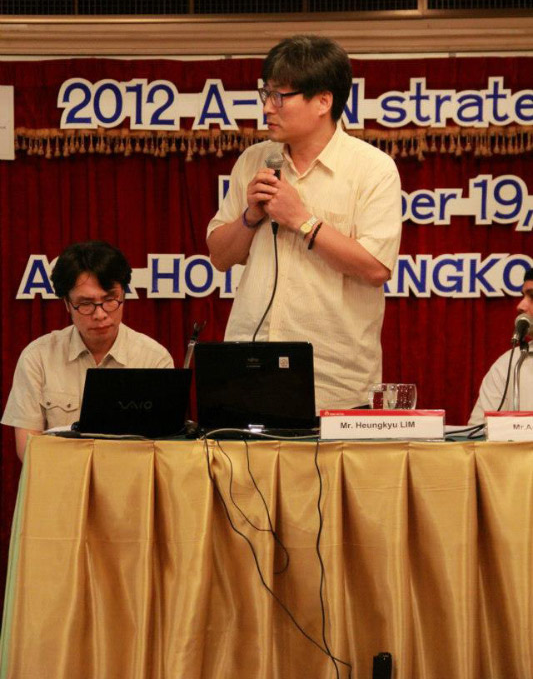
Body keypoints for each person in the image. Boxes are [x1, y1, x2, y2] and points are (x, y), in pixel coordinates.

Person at [207, 35, 402, 411]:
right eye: (265, 93)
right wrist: (250, 216)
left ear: (323, 102)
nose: (267, 107)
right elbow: (219, 255)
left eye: (280, 96)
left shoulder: (372, 169)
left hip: (331, 380)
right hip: (250, 371)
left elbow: (376, 268)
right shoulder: (253, 161)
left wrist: (302, 220)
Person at [1, 240, 174, 460]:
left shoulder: (154, 358)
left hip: (132, 479)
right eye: (85, 304)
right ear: (67, 304)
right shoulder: (38, 357)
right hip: (61, 478)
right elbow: (28, 449)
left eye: (109, 299)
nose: (100, 314)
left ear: (123, 295)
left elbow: (164, 450)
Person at [469, 267, 533, 424]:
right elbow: (478, 430)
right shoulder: (509, 364)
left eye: (532, 296)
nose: (521, 306)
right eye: (523, 296)